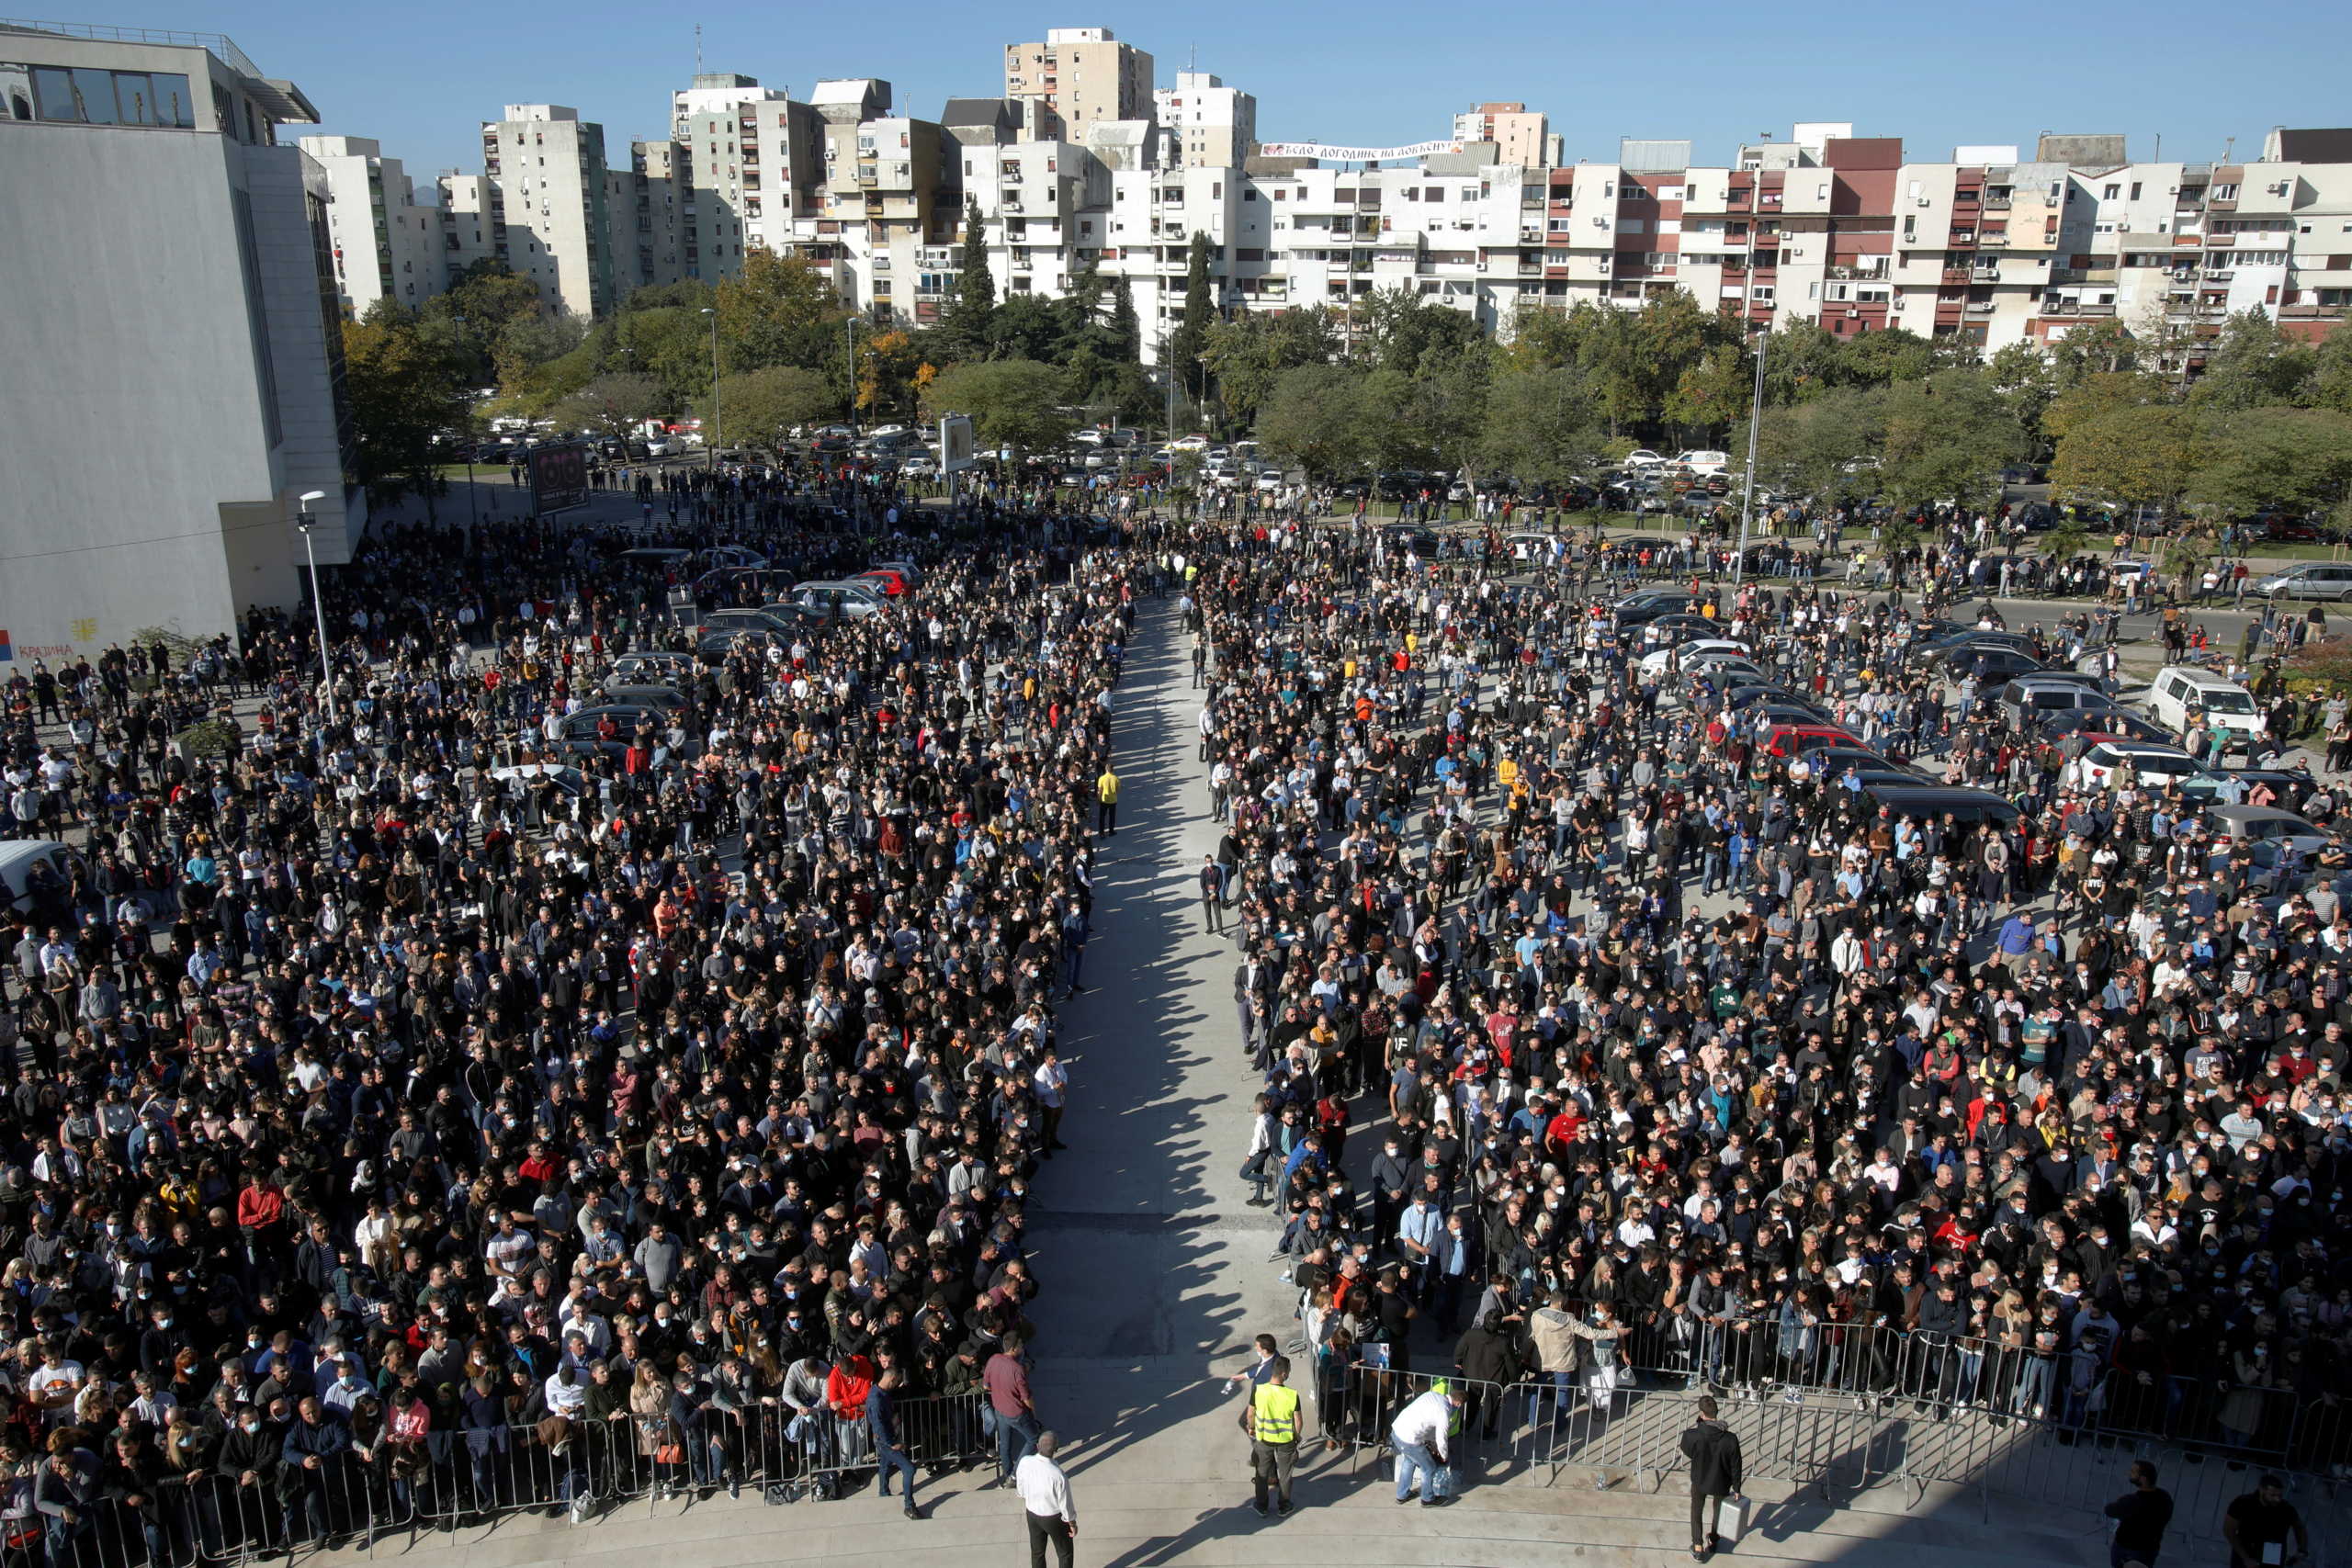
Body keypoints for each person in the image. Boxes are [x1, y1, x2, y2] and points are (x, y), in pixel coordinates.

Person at [1679, 1395, 1743, 1561]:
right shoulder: (1730, 1438)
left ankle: (1698, 1544)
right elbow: (1736, 1464)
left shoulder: (1692, 1435)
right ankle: (1714, 1539)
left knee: (1696, 1511)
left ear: (1701, 1413)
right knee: (1719, 1511)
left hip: (1700, 1480)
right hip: (1721, 1481)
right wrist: (1737, 1487)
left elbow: (1687, 1449)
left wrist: (1699, 1424)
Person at [1388, 1382, 1462, 1508]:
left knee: (1409, 1461)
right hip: (1409, 1439)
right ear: (1458, 1404)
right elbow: (1441, 1437)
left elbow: (1426, 1423)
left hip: (1397, 1431)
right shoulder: (1444, 1411)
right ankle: (1427, 1499)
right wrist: (1444, 1455)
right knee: (1429, 1467)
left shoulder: (1433, 1395)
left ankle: (1402, 1495)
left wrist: (1430, 1442)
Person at [1247, 1356, 1301, 1517]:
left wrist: (1252, 1428)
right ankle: (1284, 1505)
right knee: (1285, 1475)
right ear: (1284, 1374)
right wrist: (1296, 1436)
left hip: (1264, 1439)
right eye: (1289, 1371)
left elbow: (1250, 1414)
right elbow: (1298, 1420)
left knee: (1262, 1473)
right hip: (1286, 1441)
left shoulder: (1259, 1391)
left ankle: (1261, 1506)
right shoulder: (1292, 1395)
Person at [1016, 1430, 1077, 1568]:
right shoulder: (1058, 1475)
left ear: (1037, 1446)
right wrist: (1072, 1523)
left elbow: (1020, 1488)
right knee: (1064, 1553)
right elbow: (1065, 1504)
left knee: (1037, 1552)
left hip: (1032, 1514)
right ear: (1056, 1449)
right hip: (1054, 1518)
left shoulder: (1025, 1462)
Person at [2224, 1474, 2307, 1568]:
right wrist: (2245, 1557)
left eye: (2280, 1495)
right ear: (2262, 1490)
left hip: (2272, 1549)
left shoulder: (2285, 1508)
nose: (2277, 1499)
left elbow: (2299, 1527)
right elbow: (2228, 1530)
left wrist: (2302, 1550)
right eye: (2272, 1495)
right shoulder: (2243, 1503)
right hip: (2247, 1546)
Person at [2103, 1460, 2173, 1568]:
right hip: (2149, 1549)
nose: (2129, 1473)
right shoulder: (2165, 1498)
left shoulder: (2132, 1501)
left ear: (2143, 1479)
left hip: (2129, 1549)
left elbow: (2109, 1510)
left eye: (2134, 1472)